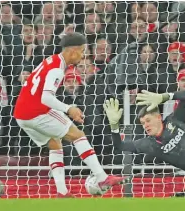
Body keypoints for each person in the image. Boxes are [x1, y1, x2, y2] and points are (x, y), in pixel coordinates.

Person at [13, 32, 128, 198]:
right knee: (78, 135)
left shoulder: (51, 60)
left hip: (21, 116)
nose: (83, 56)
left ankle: (62, 192)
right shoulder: (57, 69)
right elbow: (46, 97)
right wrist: (69, 108)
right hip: (36, 112)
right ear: (73, 50)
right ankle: (102, 177)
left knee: (55, 145)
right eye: (82, 51)